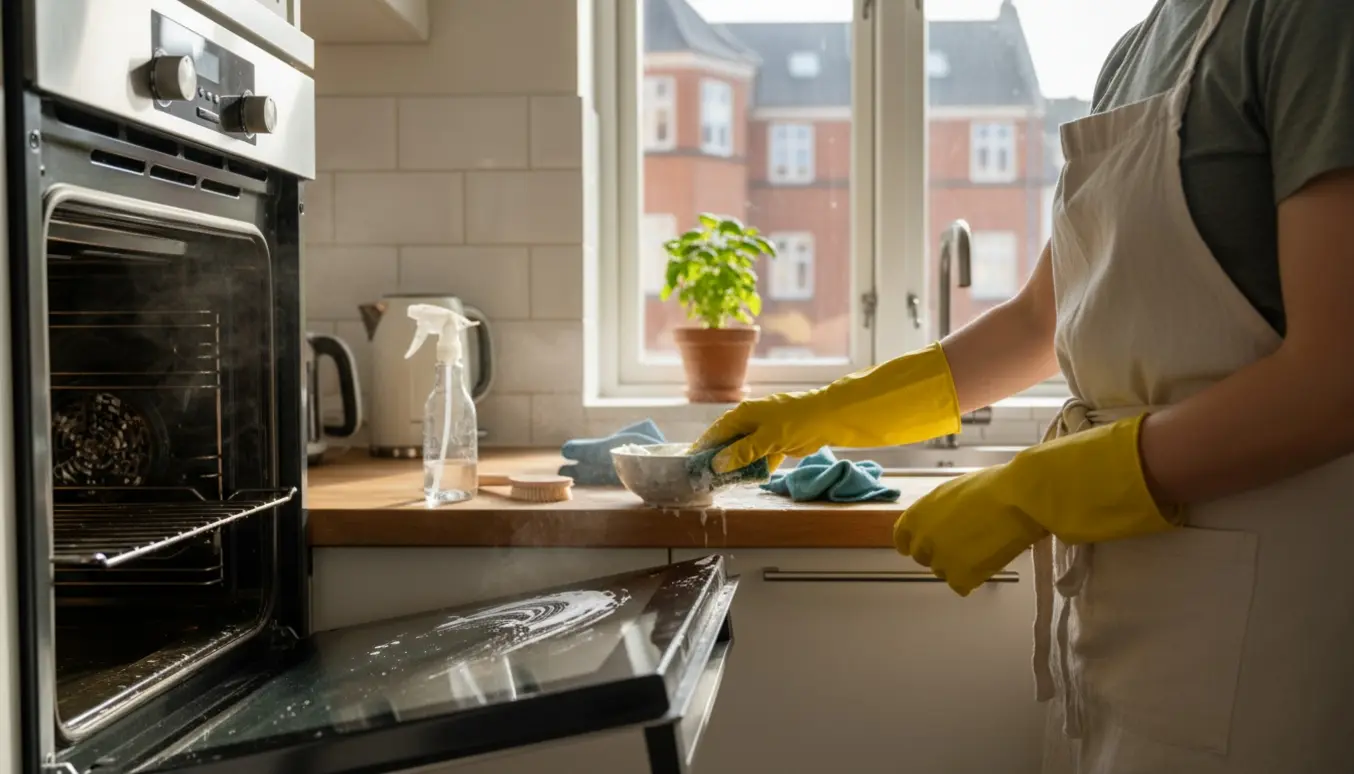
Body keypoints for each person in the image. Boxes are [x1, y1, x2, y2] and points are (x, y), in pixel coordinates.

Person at [691, 0, 1354, 771]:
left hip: (1264, 599)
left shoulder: (1310, 20)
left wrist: (1038, 486)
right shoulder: (1133, 55)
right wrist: (822, 414)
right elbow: (1042, 318)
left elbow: (1333, 380)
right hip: (1120, 599)